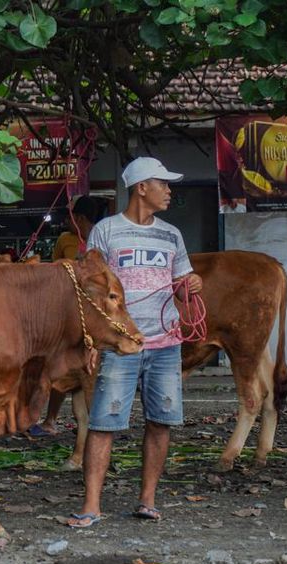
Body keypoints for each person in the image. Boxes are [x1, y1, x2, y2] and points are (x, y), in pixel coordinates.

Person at [68, 157, 202, 528]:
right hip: (119, 345)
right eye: (163, 183)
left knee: (161, 422)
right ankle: (91, 506)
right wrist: (92, 341)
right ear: (142, 187)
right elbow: (89, 290)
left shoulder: (172, 235)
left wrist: (193, 285)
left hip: (165, 343)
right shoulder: (106, 232)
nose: (169, 190)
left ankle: (147, 501)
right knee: (103, 422)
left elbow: (184, 284)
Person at [29, 195, 103, 437]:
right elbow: (56, 271)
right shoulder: (65, 239)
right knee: (63, 366)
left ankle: (95, 432)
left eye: (72, 217)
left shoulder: (103, 236)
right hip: (68, 309)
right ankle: (49, 419)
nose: (68, 222)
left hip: (92, 312)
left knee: (72, 367)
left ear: (79, 218)